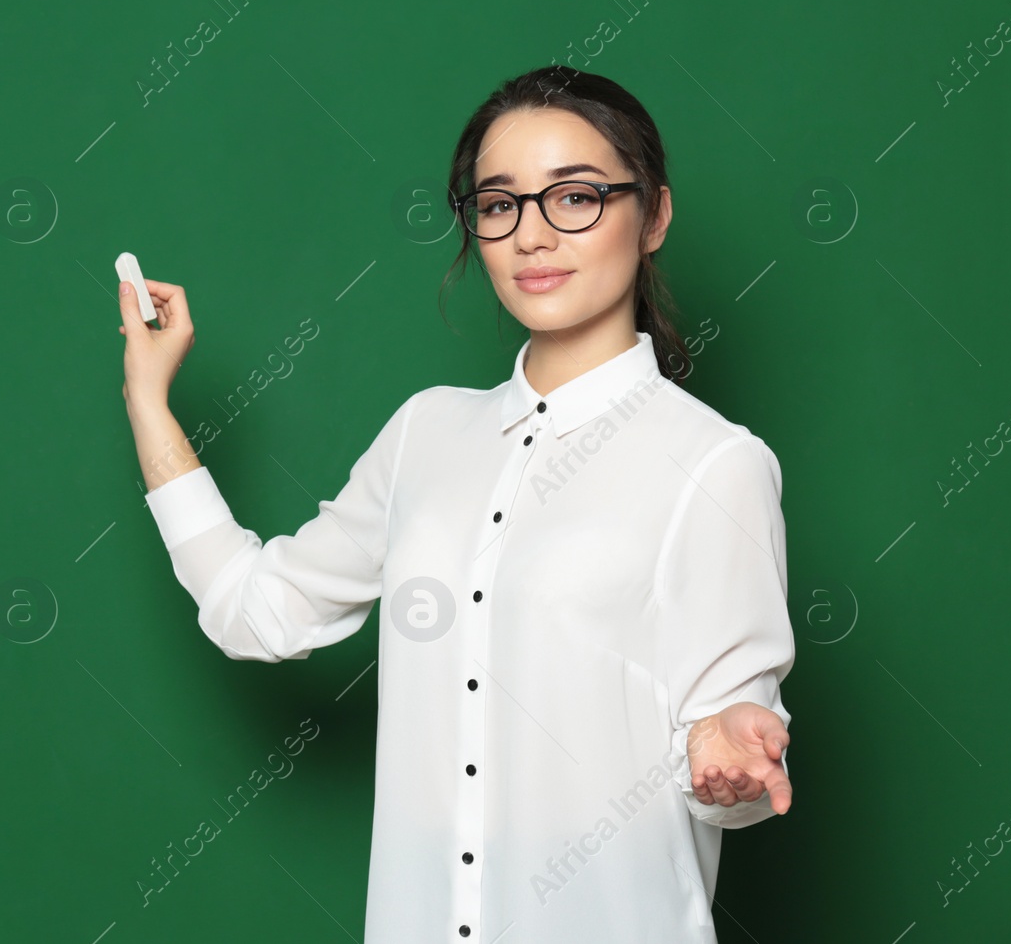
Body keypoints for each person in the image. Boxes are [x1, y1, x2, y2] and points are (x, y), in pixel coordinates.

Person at [117, 65, 795, 942]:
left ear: (653, 215)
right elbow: (257, 612)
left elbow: (733, 748)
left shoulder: (716, 463)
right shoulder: (424, 435)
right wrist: (150, 404)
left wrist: (731, 752)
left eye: (577, 197)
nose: (533, 236)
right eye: (499, 204)